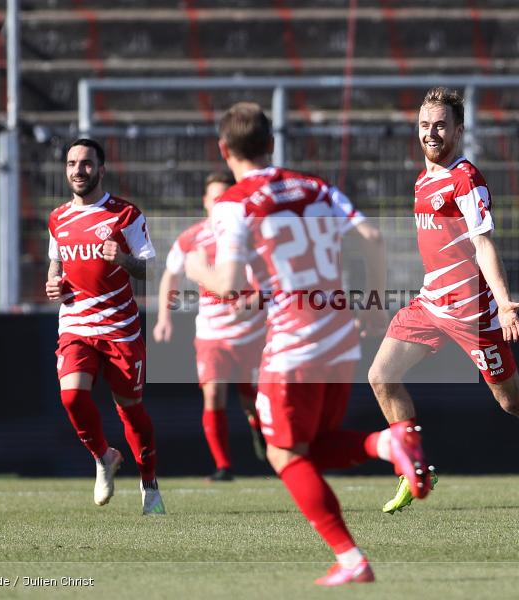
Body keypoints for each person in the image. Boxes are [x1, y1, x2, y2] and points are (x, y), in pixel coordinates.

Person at [184, 102, 414, 586]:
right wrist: (373, 302)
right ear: (271, 143)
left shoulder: (234, 202)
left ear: (224, 150)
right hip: (340, 333)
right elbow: (371, 236)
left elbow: (226, 282)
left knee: (283, 455)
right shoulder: (315, 186)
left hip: (295, 340)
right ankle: (384, 443)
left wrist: (193, 268)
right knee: (312, 446)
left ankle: (352, 557)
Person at [369, 87, 519, 515]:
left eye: (439, 125)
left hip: (472, 312)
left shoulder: (465, 178)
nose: (430, 134)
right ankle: (414, 470)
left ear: (458, 129)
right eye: (423, 126)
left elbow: (483, 243)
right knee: (381, 376)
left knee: (512, 401)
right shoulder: (423, 178)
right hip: (430, 303)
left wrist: (504, 302)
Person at [45, 138, 165, 516]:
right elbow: (57, 263)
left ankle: (150, 484)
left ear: (101, 169)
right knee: (72, 397)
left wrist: (125, 259)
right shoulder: (58, 218)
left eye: (86, 163)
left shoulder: (124, 214)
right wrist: (53, 282)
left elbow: (150, 269)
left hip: (120, 329)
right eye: (71, 164)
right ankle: (103, 456)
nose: (78, 170)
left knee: (131, 411)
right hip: (76, 324)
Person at [153, 170, 267, 481]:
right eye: (214, 197)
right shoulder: (191, 238)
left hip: (251, 333)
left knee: (252, 401)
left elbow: (270, 281)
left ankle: (260, 431)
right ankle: (223, 466)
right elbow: (170, 276)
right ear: (205, 202)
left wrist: (254, 302)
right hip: (211, 335)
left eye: (225, 198)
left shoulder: (250, 236)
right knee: (213, 394)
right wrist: (164, 317)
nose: (219, 204)